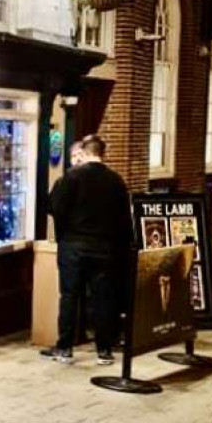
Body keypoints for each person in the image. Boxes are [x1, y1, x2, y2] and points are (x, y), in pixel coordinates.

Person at [42, 134, 133, 365]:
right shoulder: (116, 181)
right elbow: (124, 219)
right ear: (104, 152)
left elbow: (53, 207)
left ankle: (64, 348)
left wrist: (67, 229)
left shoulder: (72, 177)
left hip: (73, 245)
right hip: (104, 247)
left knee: (70, 295)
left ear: (84, 151)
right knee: (103, 297)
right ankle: (104, 350)